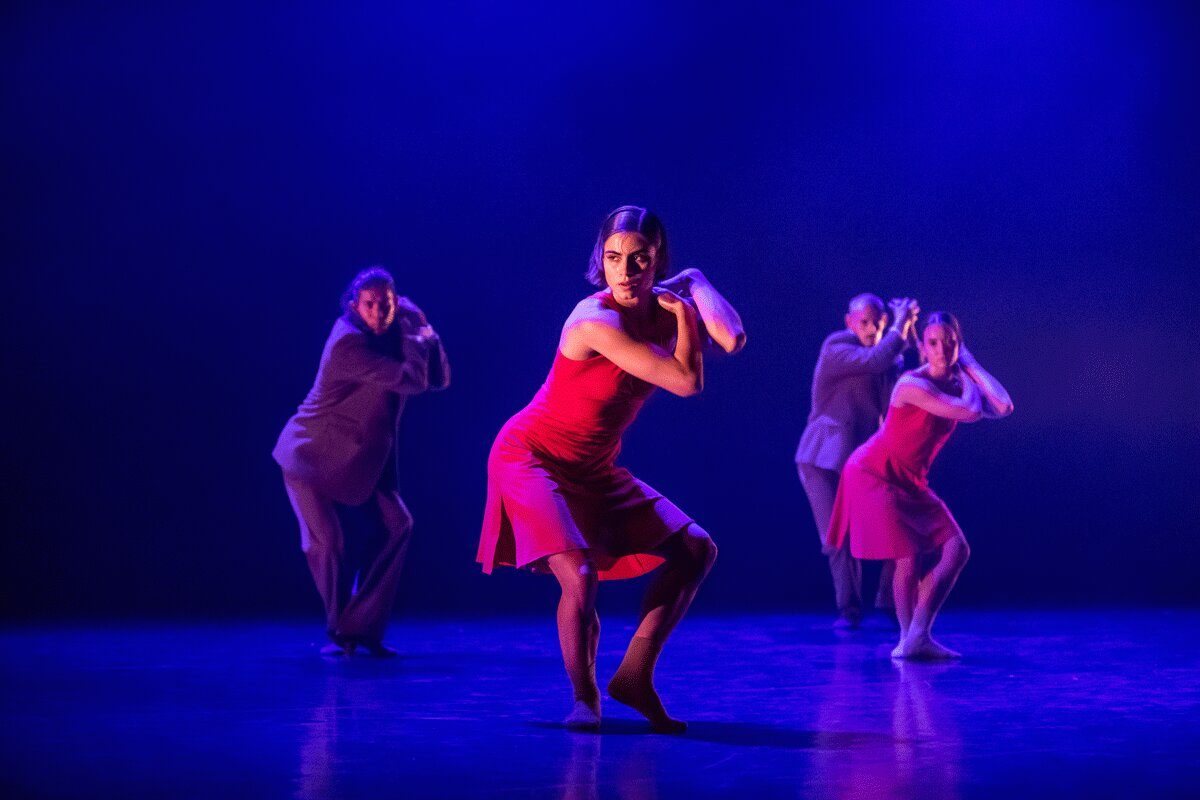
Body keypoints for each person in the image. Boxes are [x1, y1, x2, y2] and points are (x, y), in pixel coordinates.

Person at [477, 206, 745, 732]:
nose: (625, 271)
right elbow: (688, 382)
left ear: (657, 261)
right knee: (578, 574)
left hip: (594, 466)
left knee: (696, 549)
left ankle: (635, 675)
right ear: (601, 259)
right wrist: (686, 312)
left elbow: (733, 338)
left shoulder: (664, 300)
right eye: (614, 258)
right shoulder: (592, 320)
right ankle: (585, 698)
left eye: (640, 260)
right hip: (532, 456)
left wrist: (697, 280)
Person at [273, 267, 450, 656]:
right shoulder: (348, 344)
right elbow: (413, 380)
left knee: (397, 524)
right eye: (369, 306)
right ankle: (341, 630)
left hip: (361, 456)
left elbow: (438, 379)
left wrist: (426, 334)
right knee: (326, 543)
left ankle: (361, 628)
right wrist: (417, 331)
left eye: (385, 305)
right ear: (355, 306)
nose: (378, 314)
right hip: (308, 455)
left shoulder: (393, 328)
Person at [826, 312, 1013, 659]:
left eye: (950, 343)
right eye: (933, 343)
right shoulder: (912, 384)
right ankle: (907, 640)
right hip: (874, 472)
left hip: (910, 479)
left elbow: (1003, 404)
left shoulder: (957, 381)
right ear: (922, 349)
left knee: (957, 550)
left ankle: (917, 636)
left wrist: (969, 363)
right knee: (908, 557)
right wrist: (968, 370)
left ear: (959, 344)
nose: (942, 350)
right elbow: (970, 411)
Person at [796, 294, 918, 628]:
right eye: (863, 322)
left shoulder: (888, 358)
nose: (870, 328)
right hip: (823, 458)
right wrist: (899, 326)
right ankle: (849, 611)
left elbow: (893, 403)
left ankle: (887, 602)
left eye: (877, 321)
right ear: (850, 322)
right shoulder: (837, 346)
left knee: (898, 524)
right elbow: (873, 360)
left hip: (863, 459)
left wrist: (904, 334)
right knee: (837, 538)